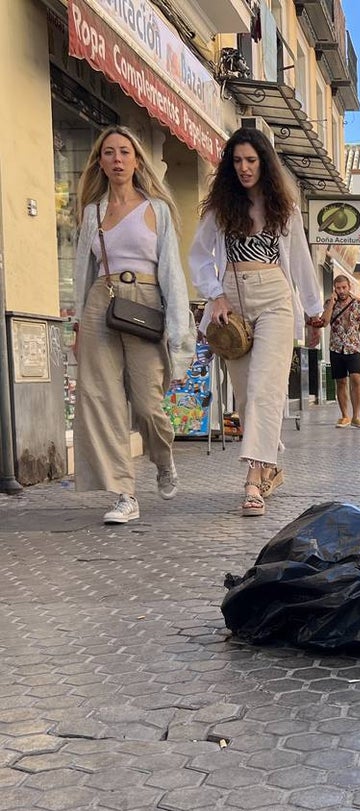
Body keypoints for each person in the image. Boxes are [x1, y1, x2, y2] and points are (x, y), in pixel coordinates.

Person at [189, 126, 324, 517]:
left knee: (266, 390)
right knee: (247, 395)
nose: (245, 168)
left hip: (275, 298)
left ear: (265, 162)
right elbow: (199, 256)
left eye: (251, 160)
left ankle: (252, 482)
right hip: (233, 301)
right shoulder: (220, 208)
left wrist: (314, 314)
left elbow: (299, 262)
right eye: (237, 161)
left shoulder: (285, 208)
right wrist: (214, 294)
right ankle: (269, 467)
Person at [71, 125, 193, 525]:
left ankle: (163, 458)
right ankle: (125, 494)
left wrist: (179, 336)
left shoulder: (156, 208)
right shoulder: (92, 212)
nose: (117, 159)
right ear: (100, 163)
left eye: (125, 152)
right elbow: (82, 270)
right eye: (109, 153)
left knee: (146, 404)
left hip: (143, 304)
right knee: (100, 400)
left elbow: (172, 274)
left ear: (137, 160)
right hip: (100, 304)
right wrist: (77, 324)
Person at [320, 274, 360, 428]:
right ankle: (344, 416)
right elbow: (324, 322)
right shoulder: (329, 304)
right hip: (336, 348)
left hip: (353, 347)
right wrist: (332, 303)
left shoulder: (358, 304)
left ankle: (356, 416)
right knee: (341, 382)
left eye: (344, 287)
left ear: (349, 287)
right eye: (338, 288)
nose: (341, 291)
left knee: (356, 379)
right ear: (335, 288)